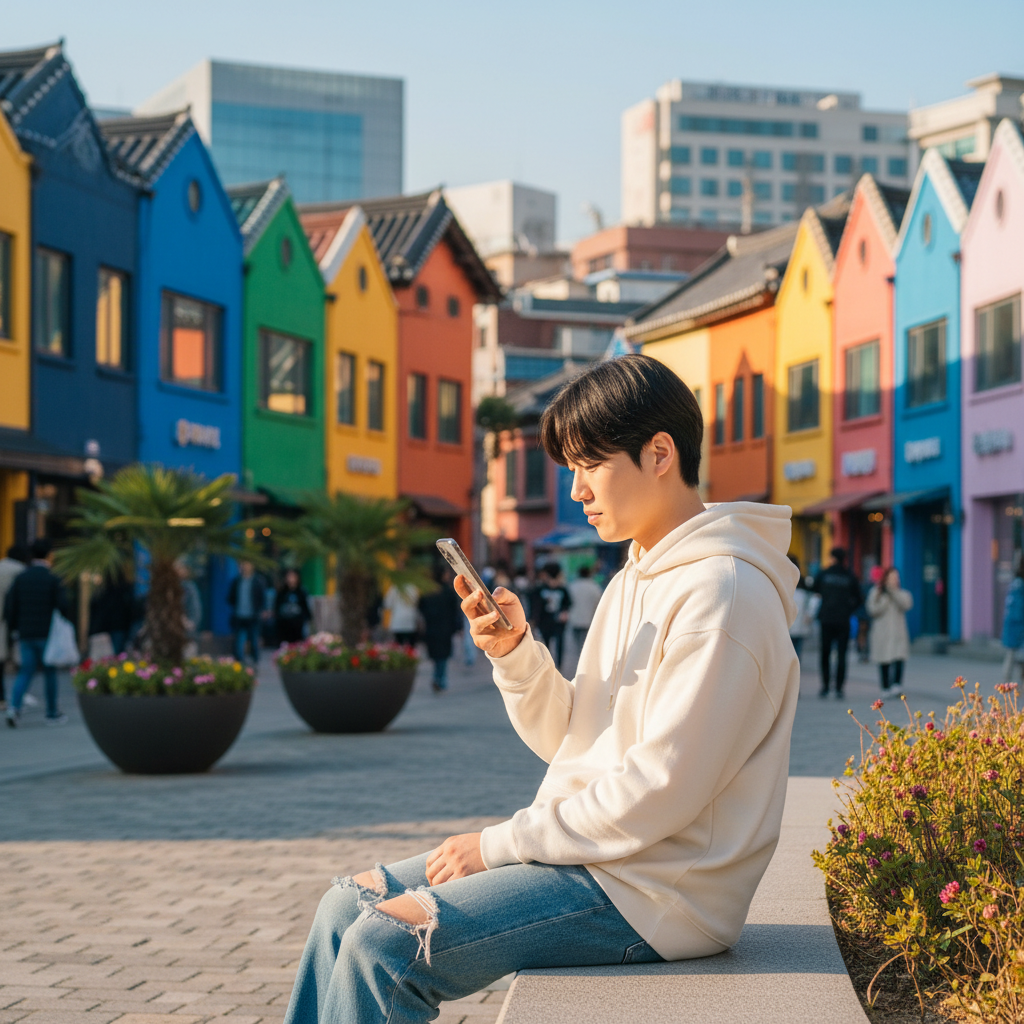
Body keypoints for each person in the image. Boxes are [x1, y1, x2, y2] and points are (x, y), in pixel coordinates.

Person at [282, 354, 800, 1024]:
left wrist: (495, 846)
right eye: (570, 471)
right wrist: (517, 657)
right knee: (342, 906)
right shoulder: (636, 576)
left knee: (388, 943)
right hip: (596, 862)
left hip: (658, 892)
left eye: (590, 466)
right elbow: (572, 742)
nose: (577, 491)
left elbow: (663, 787)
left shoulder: (723, 593)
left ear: (660, 453)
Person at [3, 538, 70, 727]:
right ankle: (51, 713)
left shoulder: (21, 578)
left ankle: (14, 707)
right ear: (49, 555)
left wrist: (15, 628)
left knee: (25, 671)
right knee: (50, 671)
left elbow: (10, 606)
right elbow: (63, 606)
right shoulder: (52, 579)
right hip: (47, 633)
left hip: (26, 633)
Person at [812, 547, 862, 699]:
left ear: (832, 558)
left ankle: (825, 686)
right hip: (843, 620)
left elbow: (814, 589)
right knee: (842, 655)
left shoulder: (824, 574)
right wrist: (848, 609)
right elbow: (859, 598)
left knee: (825, 653)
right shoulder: (849, 576)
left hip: (826, 619)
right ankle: (839, 688)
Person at [866, 568, 913, 694]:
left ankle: (897, 684)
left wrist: (893, 593)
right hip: (882, 632)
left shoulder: (902, 593)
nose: (894, 580)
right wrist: (884, 597)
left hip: (898, 631)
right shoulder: (876, 593)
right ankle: (885, 686)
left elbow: (907, 605)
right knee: (884, 659)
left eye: (896, 578)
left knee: (899, 657)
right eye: (891, 577)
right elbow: (872, 609)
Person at [417, 568, 462, 692]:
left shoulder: (428, 592)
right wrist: (457, 627)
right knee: (443, 656)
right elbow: (455, 611)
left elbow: (420, 607)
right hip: (445, 628)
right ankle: (440, 679)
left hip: (432, 628)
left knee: (437, 655)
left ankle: (438, 678)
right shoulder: (448, 592)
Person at [0, 544, 28, 707]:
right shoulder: (20, 571)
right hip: (11, 620)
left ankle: (2, 697)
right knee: (22, 661)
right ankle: (13, 698)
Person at [531, 562, 572, 669]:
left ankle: (558, 666)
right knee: (545, 644)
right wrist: (533, 620)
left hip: (559, 622)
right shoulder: (539, 589)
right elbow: (535, 605)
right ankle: (547, 665)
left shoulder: (562, 589)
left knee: (559, 644)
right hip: (544, 621)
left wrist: (565, 612)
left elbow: (568, 603)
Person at [227, 561, 267, 666]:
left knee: (254, 639)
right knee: (239, 640)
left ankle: (255, 661)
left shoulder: (258, 581)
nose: (245, 566)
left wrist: (261, 611)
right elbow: (230, 597)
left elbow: (262, 598)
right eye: (243, 564)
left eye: (247, 564)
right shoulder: (237, 581)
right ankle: (239, 661)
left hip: (253, 616)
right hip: (239, 616)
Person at [787, 555, 819, 662]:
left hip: (789, 623)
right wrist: (809, 614)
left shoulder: (782, 581)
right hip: (800, 623)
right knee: (797, 651)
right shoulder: (804, 582)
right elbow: (814, 598)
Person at [567, 564, 602, 655]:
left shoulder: (572, 586)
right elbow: (599, 603)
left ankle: (579, 659)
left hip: (575, 619)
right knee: (587, 643)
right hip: (589, 620)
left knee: (577, 643)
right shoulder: (594, 587)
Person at [1000, 558, 1024, 684]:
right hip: (1017, 626)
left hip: (1013, 626)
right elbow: (1019, 609)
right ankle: (1008, 686)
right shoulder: (1020, 585)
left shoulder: (1015, 583)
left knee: (1012, 656)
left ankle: (1009, 685)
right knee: (1012, 657)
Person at [275, 569, 312, 645]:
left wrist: (308, 619)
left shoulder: (301, 592)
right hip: (284, 625)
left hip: (298, 625)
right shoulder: (282, 592)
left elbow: (306, 607)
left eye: (293, 577)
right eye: (289, 577)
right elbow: (277, 607)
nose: (290, 579)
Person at [383, 582, 419, 647]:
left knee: (398, 646)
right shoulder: (413, 588)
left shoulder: (394, 588)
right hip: (410, 621)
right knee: (410, 648)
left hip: (397, 621)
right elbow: (417, 604)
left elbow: (387, 604)